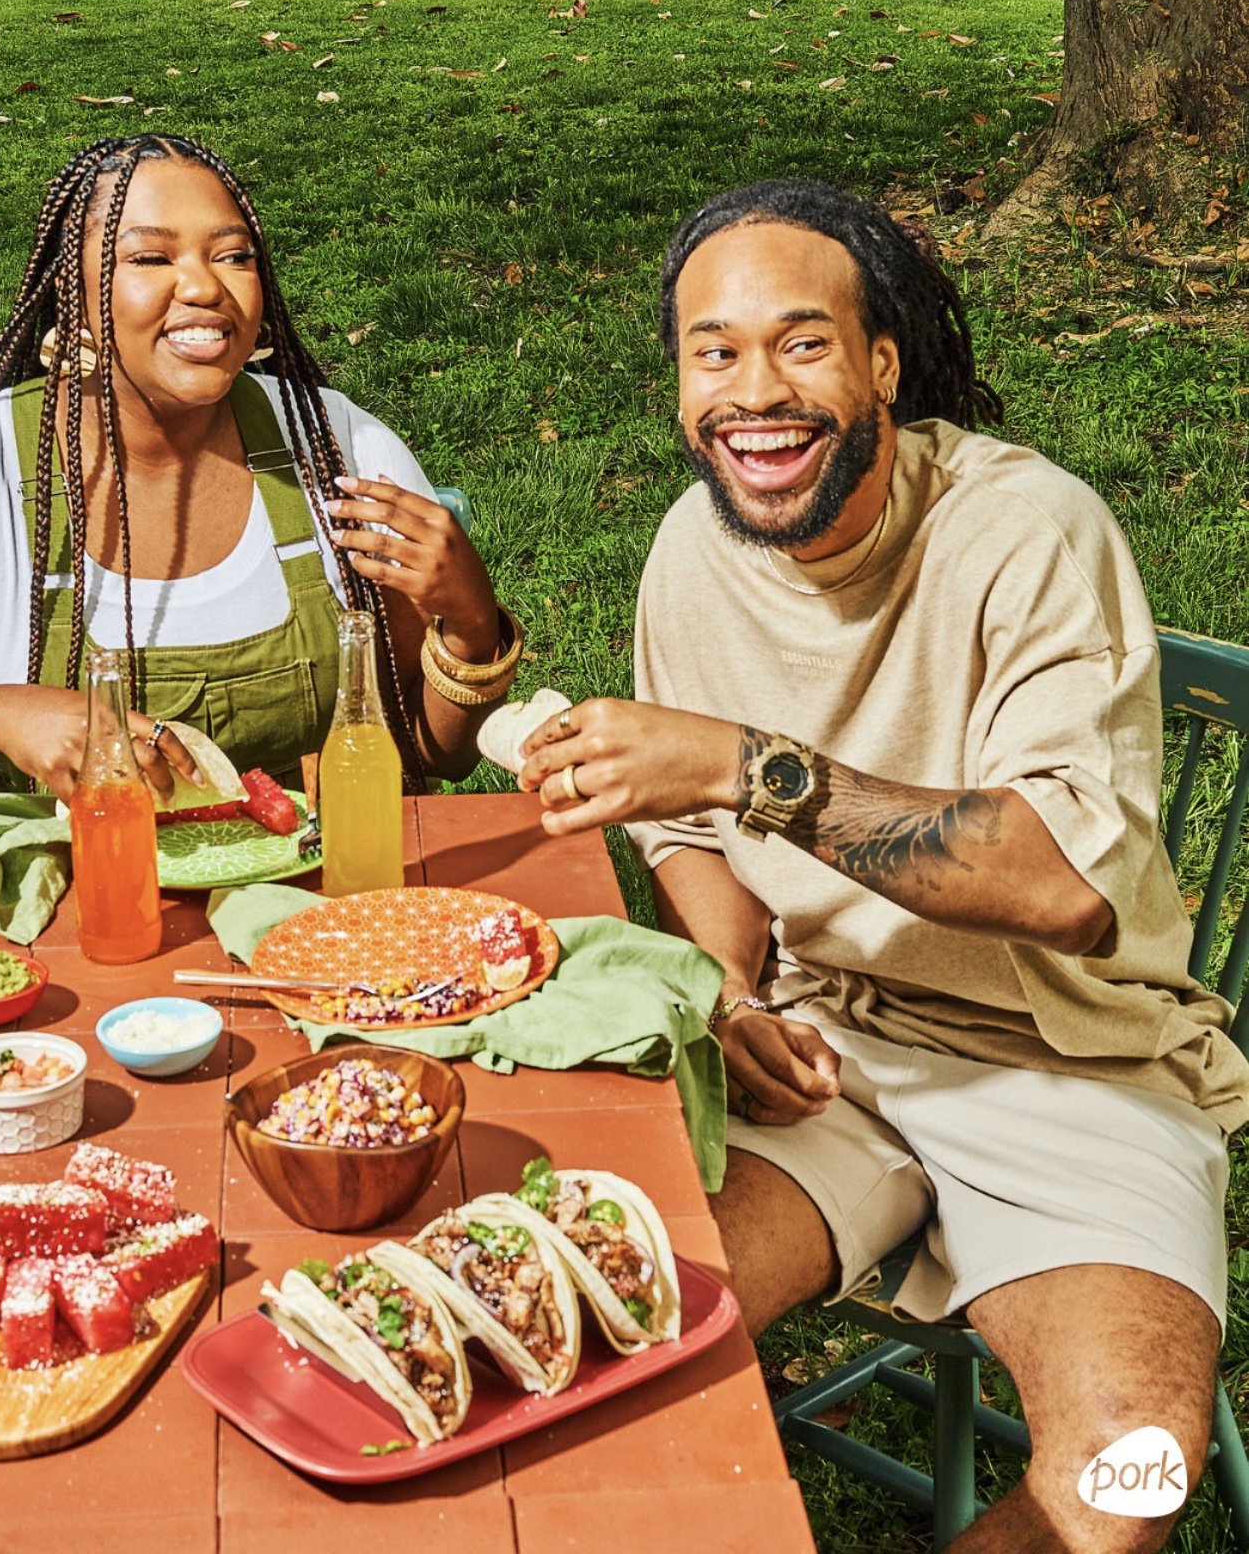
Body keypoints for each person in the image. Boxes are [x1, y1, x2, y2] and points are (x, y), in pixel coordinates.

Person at [516, 179, 1249, 1553]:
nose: (754, 393)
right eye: (712, 351)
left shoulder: (1026, 532)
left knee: (1123, 1477)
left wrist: (749, 766)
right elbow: (692, 840)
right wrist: (732, 996)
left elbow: (1057, 882)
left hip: (1072, 1065)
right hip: (828, 1046)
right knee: (569, 1333)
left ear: (880, 365)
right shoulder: (693, 544)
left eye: (801, 343)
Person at [0, 134, 520, 801]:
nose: (203, 284)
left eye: (233, 255)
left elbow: (428, 754)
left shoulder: (338, 446)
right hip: (89, 890)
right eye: (150, 256)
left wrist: (471, 624)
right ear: (71, 292)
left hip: (330, 893)